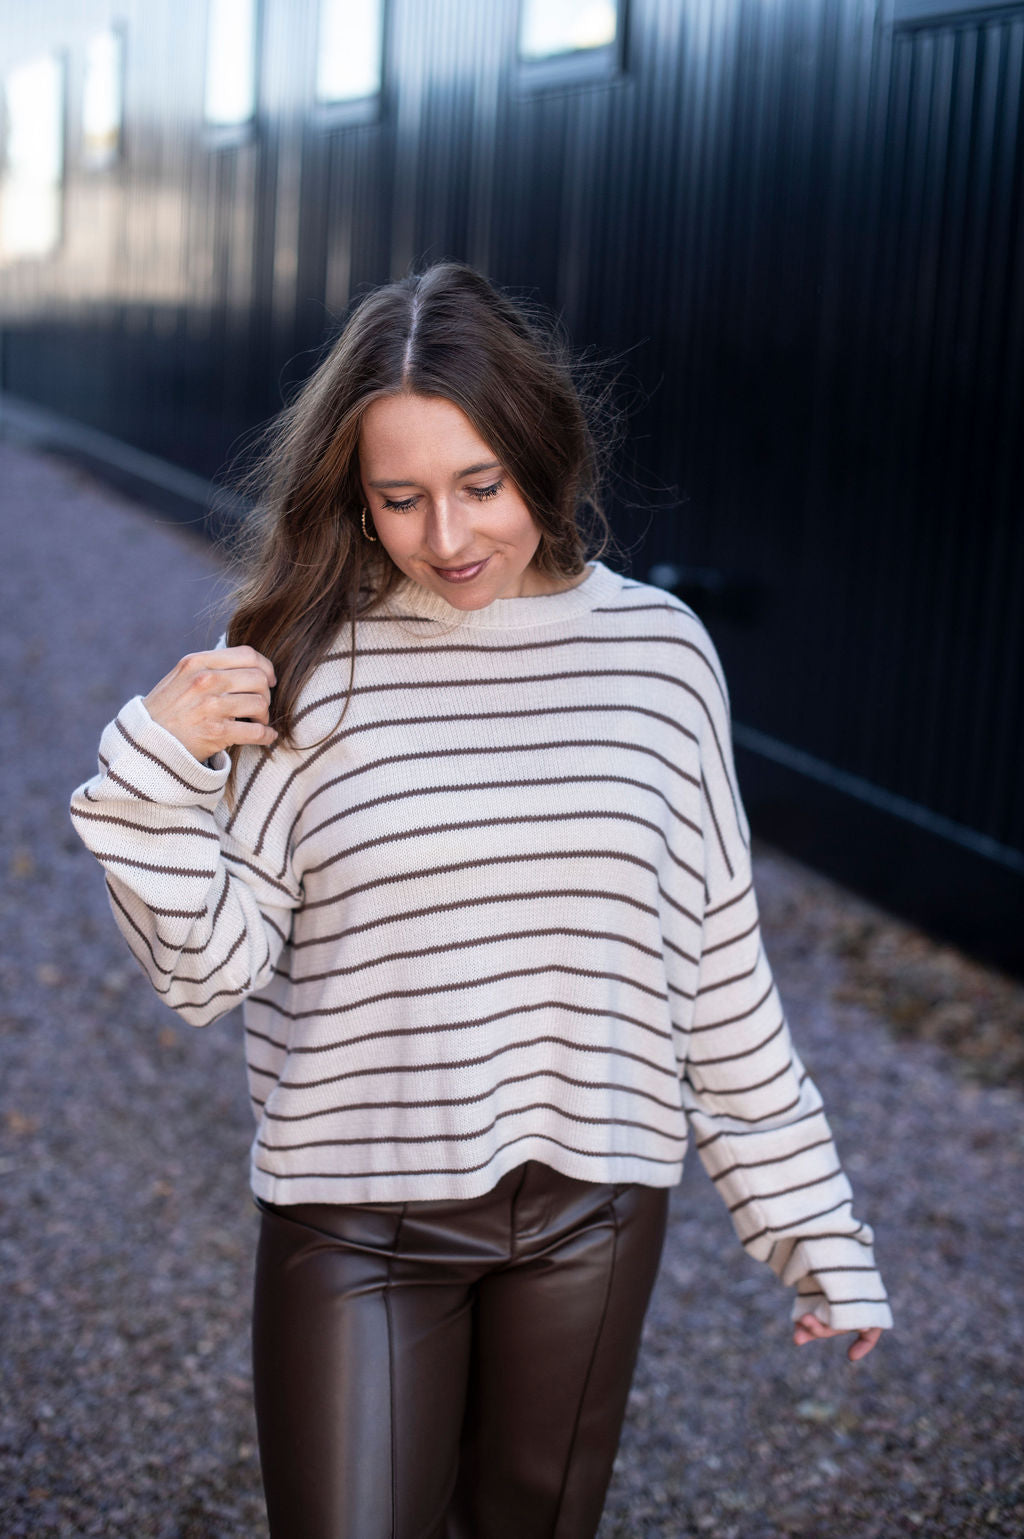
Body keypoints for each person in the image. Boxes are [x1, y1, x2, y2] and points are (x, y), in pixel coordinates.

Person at [70, 261, 892, 1539]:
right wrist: (149, 774)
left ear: (543, 458)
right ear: (356, 497)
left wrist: (810, 1230)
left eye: (480, 487)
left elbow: (717, 970)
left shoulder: (660, 659)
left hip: (593, 1215)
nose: (446, 541)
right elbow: (208, 972)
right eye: (399, 500)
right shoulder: (305, 665)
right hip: (355, 1221)